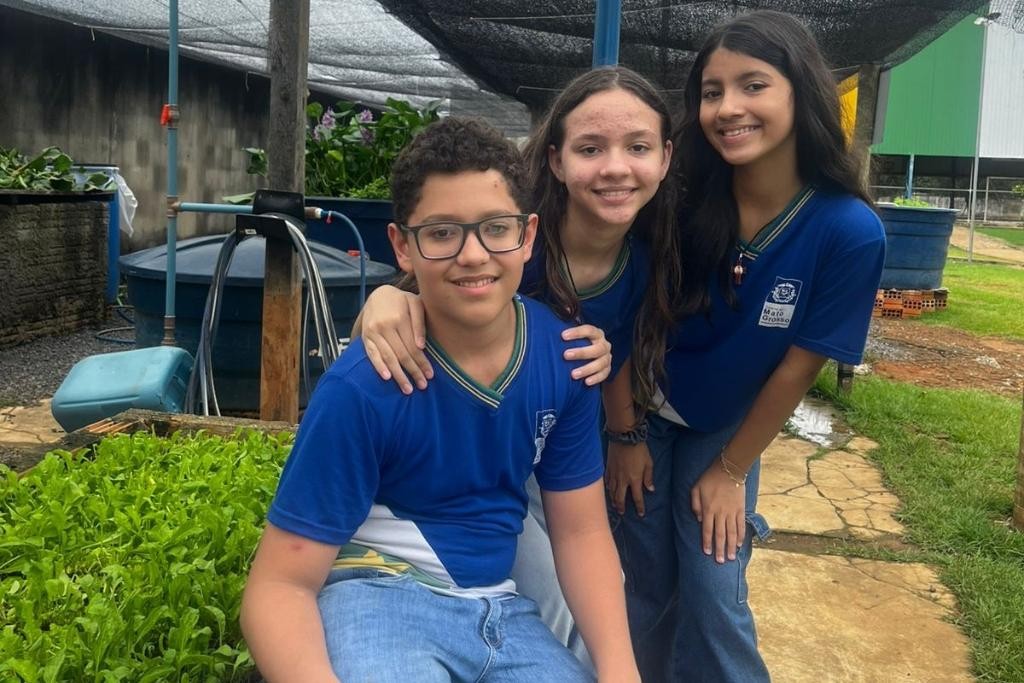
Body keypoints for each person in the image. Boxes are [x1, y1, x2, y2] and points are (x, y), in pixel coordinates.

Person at [240, 117, 640, 683]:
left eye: (495, 228)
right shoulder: (365, 385)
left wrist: (621, 670)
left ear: (528, 235)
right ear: (402, 246)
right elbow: (281, 583)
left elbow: (581, 532)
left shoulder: (565, 360)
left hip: (503, 612)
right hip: (379, 595)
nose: (473, 255)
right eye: (442, 233)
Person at [353, 66, 679, 663]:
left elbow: (615, 351)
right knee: (548, 590)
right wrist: (381, 301)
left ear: (665, 158)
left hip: (556, 439)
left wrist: (626, 433)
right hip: (473, 452)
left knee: (593, 586)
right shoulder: (503, 247)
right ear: (555, 160)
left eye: (637, 147)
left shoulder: (645, 257)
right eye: (590, 148)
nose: (614, 168)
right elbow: (409, 302)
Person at [606, 10, 887, 682]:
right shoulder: (673, 198)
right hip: (637, 408)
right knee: (644, 585)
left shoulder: (848, 230)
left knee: (713, 588)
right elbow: (617, 316)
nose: (728, 108)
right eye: (712, 92)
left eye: (752, 85)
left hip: (725, 424)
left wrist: (731, 471)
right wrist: (623, 433)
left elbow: (798, 366)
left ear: (801, 92)